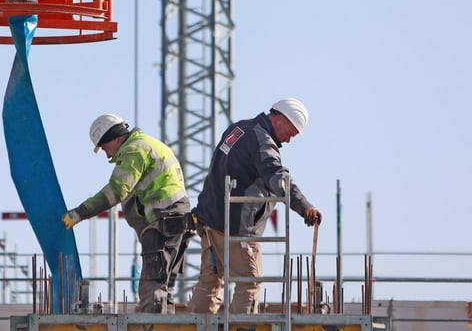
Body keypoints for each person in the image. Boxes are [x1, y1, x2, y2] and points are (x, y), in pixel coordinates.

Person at [187, 98, 322, 314]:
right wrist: (303, 206)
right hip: (236, 228)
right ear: (279, 119)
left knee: (211, 280)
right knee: (250, 282)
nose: (289, 140)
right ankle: (241, 328)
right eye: (290, 132)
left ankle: (198, 328)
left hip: (210, 221)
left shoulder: (238, 128)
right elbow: (278, 177)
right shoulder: (262, 141)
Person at [62, 114, 193, 313]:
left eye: (104, 148)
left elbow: (116, 191)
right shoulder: (148, 144)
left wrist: (80, 213)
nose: (107, 155)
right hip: (178, 221)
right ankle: (166, 326)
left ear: (115, 138)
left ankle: (155, 328)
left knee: (151, 288)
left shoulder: (134, 150)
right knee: (165, 288)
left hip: (163, 223)